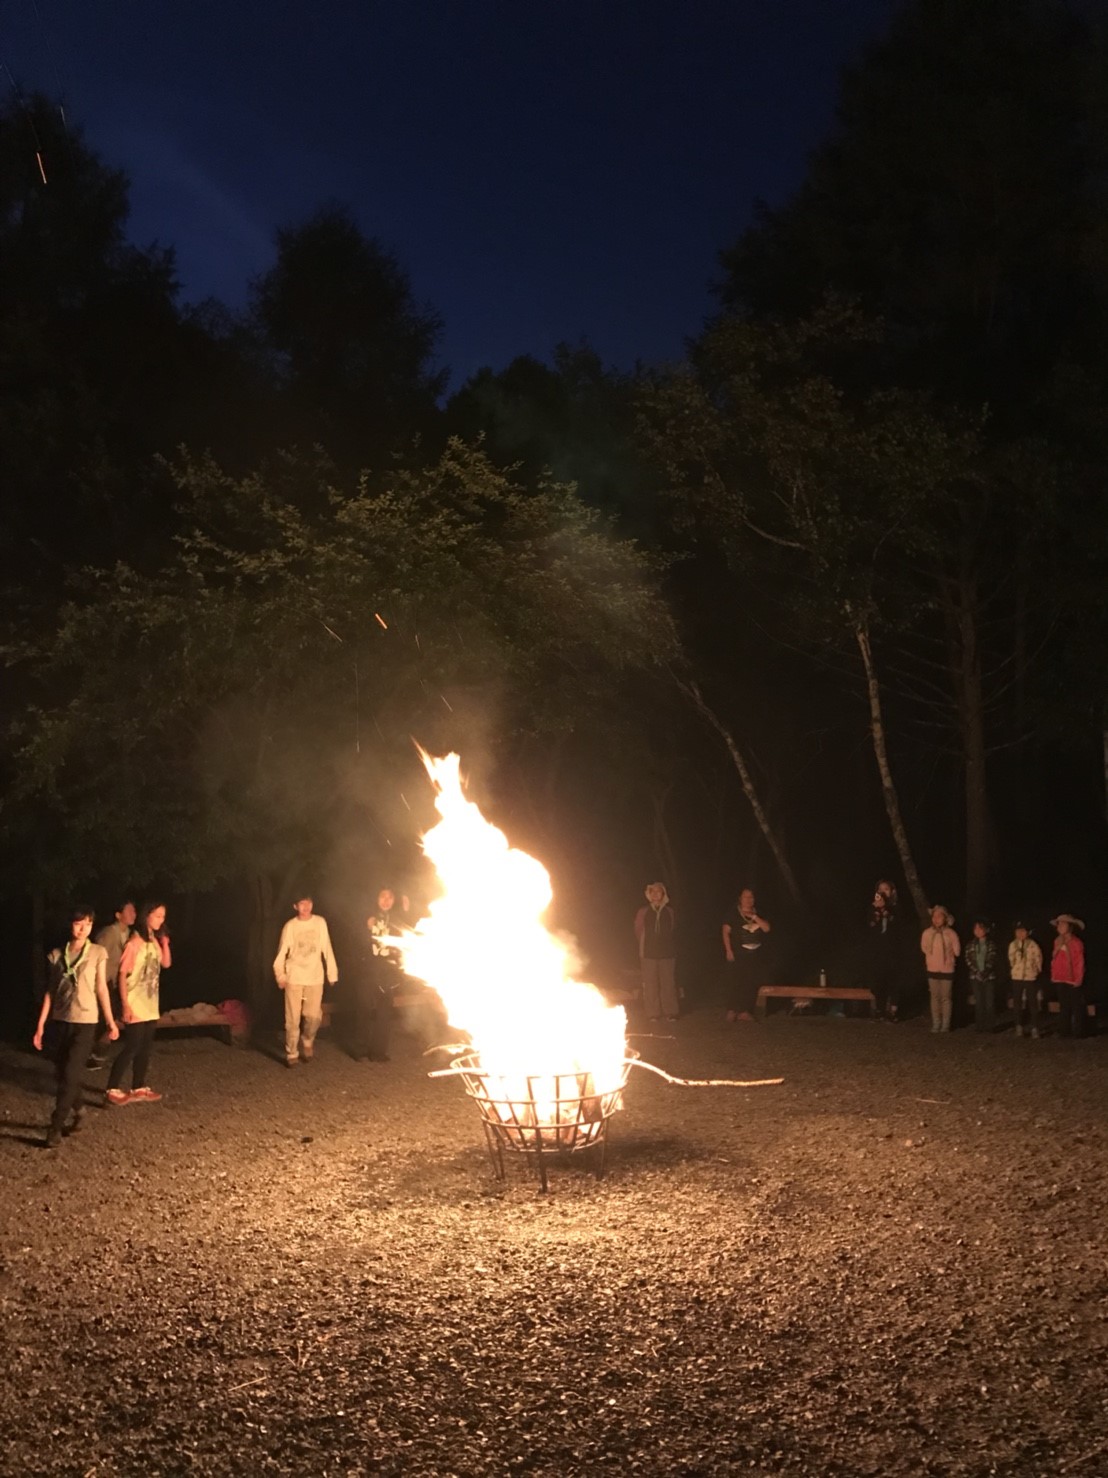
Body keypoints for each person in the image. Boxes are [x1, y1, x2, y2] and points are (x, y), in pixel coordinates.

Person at [33, 906, 120, 1147]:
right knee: (62, 1074)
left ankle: (55, 1127)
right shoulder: (56, 955)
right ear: (70, 925)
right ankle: (79, 1110)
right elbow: (51, 992)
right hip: (61, 1021)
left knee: (71, 1073)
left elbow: (101, 988)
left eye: (88, 924)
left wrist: (110, 1021)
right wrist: (40, 1025)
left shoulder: (97, 953)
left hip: (86, 1021)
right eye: (78, 923)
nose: (83, 929)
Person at [107, 902, 171, 1104]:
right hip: (134, 1002)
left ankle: (138, 1086)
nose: (161, 920)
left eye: (163, 916)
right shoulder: (134, 943)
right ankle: (112, 1088)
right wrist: (125, 1005)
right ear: (147, 916)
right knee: (132, 1046)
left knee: (145, 1047)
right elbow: (122, 974)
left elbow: (166, 963)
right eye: (157, 915)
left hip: (150, 1003)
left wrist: (165, 943)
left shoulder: (153, 941)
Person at [273, 894, 339, 1067]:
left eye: (308, 902)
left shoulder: (320, 923)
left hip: (315, 976)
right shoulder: (290, 926)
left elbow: (327, 947)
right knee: (292, 1018)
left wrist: (332, 973)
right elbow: (282, 951)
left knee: (313, 1016)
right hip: (294, 976)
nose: (306, 906)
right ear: (295, 906)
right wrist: (280, 975)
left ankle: (308, 1039)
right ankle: (292, 1052)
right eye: (302, 903)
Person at [348, 888, 410, 1061]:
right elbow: (355, 941)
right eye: (383, 896)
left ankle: (379, 1052)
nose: (386, 900)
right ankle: (360, 1049)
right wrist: (366, 928)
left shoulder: (396, 920)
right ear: (376, 898)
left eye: (390, 897)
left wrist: (407, 912)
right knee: (364, 1009)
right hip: (368, 971)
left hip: (387, 973)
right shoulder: (367, 916)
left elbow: (408, 936)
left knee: (384, 1012)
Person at [88, 898, 135, 1068]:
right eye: (129, 911)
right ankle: (92, 1054)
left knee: (113, 1019)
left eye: (134, 911)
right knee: (104, 1019)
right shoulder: (108, 933)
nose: (133, 914)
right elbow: (95, 956)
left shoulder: (129, 934)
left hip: (117, 983)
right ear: (118, 915)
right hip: (104, 982)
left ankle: (97, 1053)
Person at [722, 888, 771, 1022]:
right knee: (735, 981)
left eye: (751, 897)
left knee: (750, 982)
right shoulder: (733, 913)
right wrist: (728, 950)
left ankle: (745, 1011)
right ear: (740, 899)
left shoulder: (758, 912)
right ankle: (732, 1010)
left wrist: (754, 917)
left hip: (754, 954)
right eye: (746, 897)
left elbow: (766, 928)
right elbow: (725, 932)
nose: (749, 900)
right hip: (738, 953)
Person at [635, 882, 678, 1022]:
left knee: (668, 983)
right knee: (650, 984)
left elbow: (673, 928)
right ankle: (653, 1013)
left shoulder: (670, 911)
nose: (655, 894)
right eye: (652, 892)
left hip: (667, 953)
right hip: (648, 953)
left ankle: (670, 1012)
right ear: (648, 895)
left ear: (663, 894)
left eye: (658, 891)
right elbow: (638, 930)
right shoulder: (643, 911)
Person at [865, 879, 904, 1021]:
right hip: (878, 951)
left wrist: (885, 909)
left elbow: (897, 924)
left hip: (893, 950)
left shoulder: (896, 907)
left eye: (886, 889)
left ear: (892, 891)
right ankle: (879, 1010)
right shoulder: (872, 908)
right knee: (878, 980)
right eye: (880, 889)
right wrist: (877, 912)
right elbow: (870, 926)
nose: (882, 892)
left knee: (893, 980)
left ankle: (893, 1011)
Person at [921, 905, 960, 1033]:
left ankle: (946, 1024)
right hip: (932, 969)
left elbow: (957, 951)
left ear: (945, 918)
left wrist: (949, 957)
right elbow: (924, 948)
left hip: (947, 969)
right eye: (934, 916)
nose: (936, 919)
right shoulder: (927, 933)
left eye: (939, 916)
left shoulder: (951, 933)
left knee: (946, 997)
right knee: (934, 997)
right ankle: (936, 1023)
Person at [1050, 914, 1087, 1038]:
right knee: (1064, 1005)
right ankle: (1064, 1031)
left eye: (1063, 924)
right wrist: (1054, 974)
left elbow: (1079, 961)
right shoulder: (1057, 941)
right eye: (1059, 924)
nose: (1060, 926)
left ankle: (1078, 1032)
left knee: (1075, 1006)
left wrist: (1078, 978)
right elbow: (1055, 960)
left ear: (1070, 926)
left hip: (1072, 978)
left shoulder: (1076, 942)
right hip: (1060, 977)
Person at [1008, 921, 1043, 1038]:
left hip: (1030, 976)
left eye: (1023, 931)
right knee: (1017, 1002)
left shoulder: (1033, 944)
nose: (1020, 934)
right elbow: (1011, 959)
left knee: (1032, 1002)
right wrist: (1014, 969)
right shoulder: (1013, 945)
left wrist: (1036, 970)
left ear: (1028, 932)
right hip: (1017, 976)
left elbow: (1038, 959)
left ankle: (1035, 1027)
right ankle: (1018, 1025)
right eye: (1018, 931)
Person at [965, 917, 998, 1032]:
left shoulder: (991, 944)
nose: (978, 931)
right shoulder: (970, 945)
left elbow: (992, 958)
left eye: (980, 928)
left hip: (989, 977)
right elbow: (968, 959)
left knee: (989, 1002)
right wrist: (976, 971)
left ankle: (990, 1026)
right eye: (976, 929)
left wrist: (985, 971)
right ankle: (979, 1025)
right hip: (975, 977)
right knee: (979, 1002)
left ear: (986, 929)